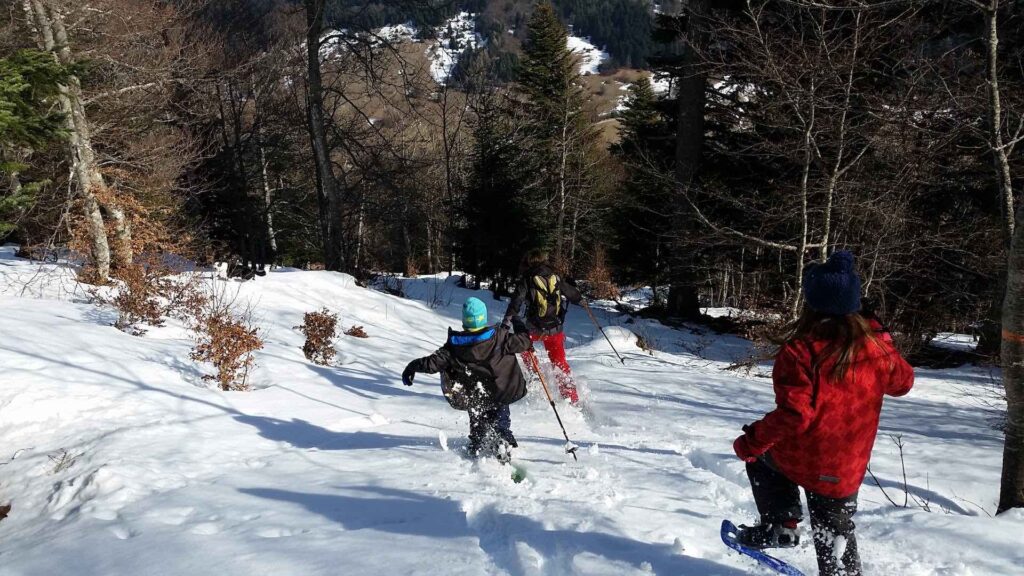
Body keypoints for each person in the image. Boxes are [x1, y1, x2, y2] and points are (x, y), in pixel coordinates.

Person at [731, 251, 914, 576]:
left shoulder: (800, 351)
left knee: (759, 458)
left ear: (811, 304)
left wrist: (752, 441)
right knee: (836, 539)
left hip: (802, 459)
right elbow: (903, 383)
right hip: (845, 470)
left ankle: (781, 525)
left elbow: (795, 414)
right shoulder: (875, 350)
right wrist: (882, 335)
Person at [403, 297, 534, 460]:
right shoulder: (501, 337)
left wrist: (412, 366)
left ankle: (477, 443)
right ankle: (502, 438)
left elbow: (433, 363)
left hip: (475, 394)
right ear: (483, 319)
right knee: (500, 413)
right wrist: (518, 322)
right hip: (501, 391)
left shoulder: (454, 345)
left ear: (465, 321)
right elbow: (525, 341)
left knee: (477, 415)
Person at [505, 249, 584, 404]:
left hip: (534, 328)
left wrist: (507, 321)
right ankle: (571, 396)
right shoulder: (555, 276)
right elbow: (571, 293)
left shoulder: (527, 279)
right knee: (560, 363)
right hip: (555, 328)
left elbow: (516, 302)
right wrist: (581, 301)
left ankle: (535, 374)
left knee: (524, 344)